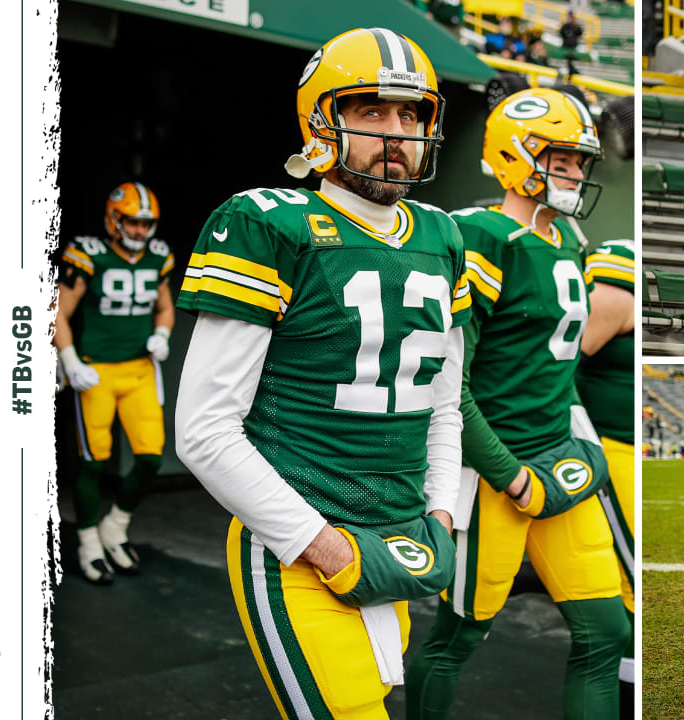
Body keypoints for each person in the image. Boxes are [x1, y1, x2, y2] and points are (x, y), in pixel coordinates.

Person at [173, 28, 463, 719]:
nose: (397, 133)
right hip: (302, 545)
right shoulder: (266, 221)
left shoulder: (441, 234)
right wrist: (324, 547)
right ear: (321, 121)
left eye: (412, 114)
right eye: (371, 111)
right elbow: (205, 430)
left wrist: (442, 517)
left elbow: (443, 406)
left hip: (398, 536)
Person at [406, 88, 629, 720]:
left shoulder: (569, 242)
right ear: (515, 156)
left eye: (581, 162)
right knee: (458, 637)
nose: (576, 173)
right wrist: (510, 475)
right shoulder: (480, 236)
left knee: (606, 632)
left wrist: (571, 446)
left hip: (554, 461)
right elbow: (448, 385)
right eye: (562, 159)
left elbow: (557, 370)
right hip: (490, 474)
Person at [56, 182, 174, 585]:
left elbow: (165, 307)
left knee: (150, 458)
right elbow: (59, 312)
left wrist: (162, 333)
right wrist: (69, 360)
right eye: (133, 223)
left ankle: (115, 527)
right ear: (113, 219)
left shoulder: (157, 257)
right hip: (96, 371)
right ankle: (89, 542)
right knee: (92, 461)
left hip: (140, 370)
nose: (141, 232)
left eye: (146, 224)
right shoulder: (89, 254)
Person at [576, 238, 637, 719]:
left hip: (624, 450)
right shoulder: (615, 282)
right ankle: (625, 696)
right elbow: (561, 368)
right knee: (631, 584)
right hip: (610, 449)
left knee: (632, 583)